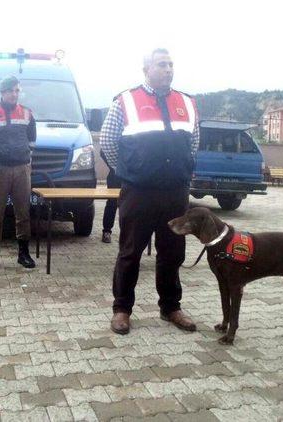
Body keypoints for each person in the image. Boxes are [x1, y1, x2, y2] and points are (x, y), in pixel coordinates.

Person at [100, 48, 199, 335]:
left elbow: (193, 143)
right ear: (146, 69)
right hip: (139, 192)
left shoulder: (187, 102)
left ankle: (171, 307)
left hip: (174, 193)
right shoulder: (126, 101)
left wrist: (181, 172)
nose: (168, 69)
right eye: (161, 64)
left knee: (172, 251)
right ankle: (121, 310)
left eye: (170, 64)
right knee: (130, 251)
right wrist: (129, 172)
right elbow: (107, 142)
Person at [0, 76, 37, 270]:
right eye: (10, 91)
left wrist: (26, 160)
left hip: (22, 169)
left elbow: (32, 140)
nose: (14, 94)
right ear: (2, 92)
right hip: (0, 169)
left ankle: (23, 254)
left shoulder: (27, 113)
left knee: (23, 213)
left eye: (17, 91)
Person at [100, 149, 121, 243]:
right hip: (115, 177)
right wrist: (113, 167)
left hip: (131, 176)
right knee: (112, 203)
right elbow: (103, 151)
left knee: (130, 205)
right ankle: (107, 231)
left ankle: (130, 233)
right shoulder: (113, 138)